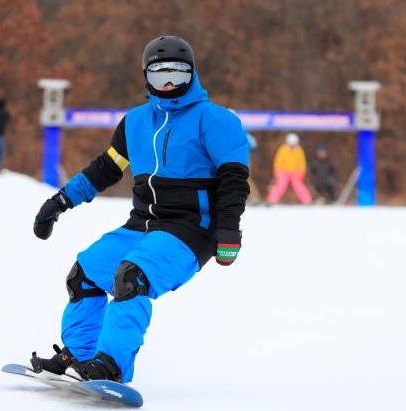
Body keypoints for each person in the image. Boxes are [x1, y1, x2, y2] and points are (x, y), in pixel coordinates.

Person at [30, 35, 250, 384]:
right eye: (159, 74)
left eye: (177, 74)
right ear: (145, 76)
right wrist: (59, 202)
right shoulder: (135, 122)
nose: (168, 83)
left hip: (192, 228)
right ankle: (82, 356)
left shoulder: (215, 120)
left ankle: (111, 366)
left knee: (132, 278)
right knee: (84, 273)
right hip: (144, 224)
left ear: (192, 74)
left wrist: (229, 231)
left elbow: (234, 181)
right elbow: (105, 169)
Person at [266, 133, 312, 205]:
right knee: (280, 185)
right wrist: (277, 171)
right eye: (290, 144)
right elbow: (278, 161)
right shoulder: (283, 149)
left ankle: (307, 200)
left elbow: (302, 163)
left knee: (299, 186)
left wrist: (302, 172)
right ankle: (271, 200)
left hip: (295, 172)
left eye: (293, 144)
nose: (292, 146)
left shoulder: (299, 150)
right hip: (284, 172)